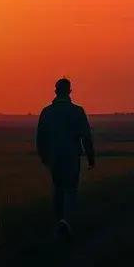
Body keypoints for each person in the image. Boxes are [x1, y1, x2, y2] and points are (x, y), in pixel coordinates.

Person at [36, 77, 95, 241]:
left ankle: (59, 224)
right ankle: (66, 222)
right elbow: (86, 137)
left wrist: (44, 156)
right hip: (71, 157)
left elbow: (40, 137)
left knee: (58, 189)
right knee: (70, 190)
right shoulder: (77, 111)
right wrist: (91, 158)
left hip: (54, 158)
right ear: (69, 91)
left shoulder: (47, 112)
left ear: (56, 91)